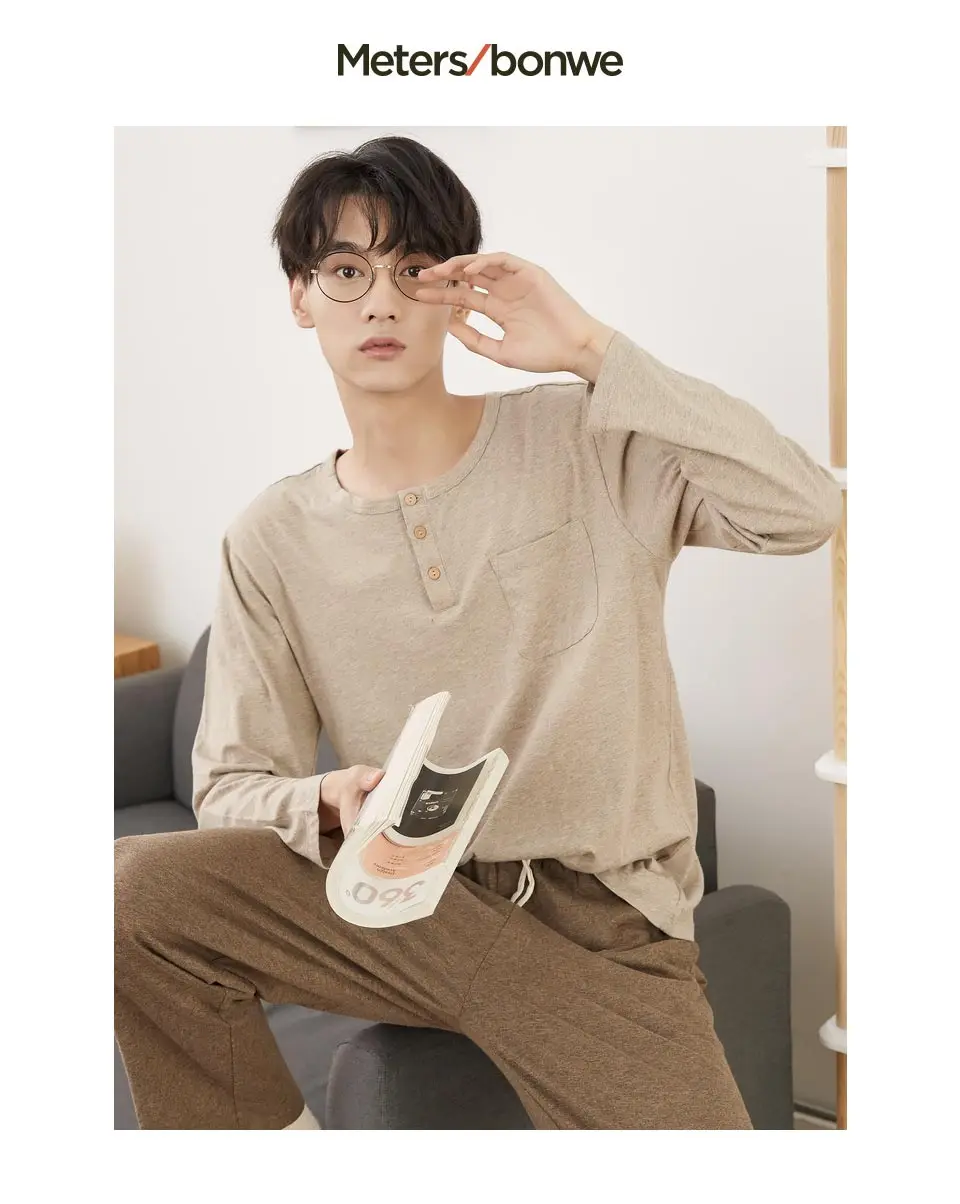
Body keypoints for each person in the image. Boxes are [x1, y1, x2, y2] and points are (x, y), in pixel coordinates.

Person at [114, 134, 843, 1129]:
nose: (380, 301)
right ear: (300, 297)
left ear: (456, 289)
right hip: (402, 908)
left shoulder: (585, 438)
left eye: (413, 268)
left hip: (603, 930)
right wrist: (326, 796)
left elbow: (802, 510)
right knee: (134, 894)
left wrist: (591, 349)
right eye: (345, 270)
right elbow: (231, 789)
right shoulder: (272, 537)